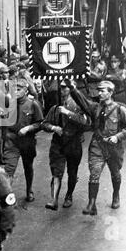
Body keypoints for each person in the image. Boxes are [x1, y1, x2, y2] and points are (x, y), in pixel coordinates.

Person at [66, 80, 126, 215]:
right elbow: (82, 101)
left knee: (115, 173)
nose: (99, 93)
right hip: (97, 145)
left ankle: (116, 195)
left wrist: (118, 137)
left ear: (110, 93)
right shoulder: (95, 108)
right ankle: (91, 204)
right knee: (94, 174)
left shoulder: (120, 109)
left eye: (102, 91)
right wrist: (72, 88)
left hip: (114, 148)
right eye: (98, 90)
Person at [41, 80, 91, 210]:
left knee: (72, 172)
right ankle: (54, 200)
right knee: (56, 172)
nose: (61, 90)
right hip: (58, 143)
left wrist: (68, 113)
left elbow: (86, 123)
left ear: (71, 88)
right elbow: (44, 124)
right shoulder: (56, 107)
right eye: (60, 87)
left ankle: (69, 195)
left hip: (73, 143)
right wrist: (54, 128)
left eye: (64, 87)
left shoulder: (79, 106)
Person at [2, 78, 44, 202]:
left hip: (27, 142)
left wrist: (28, 128)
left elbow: (40, 123)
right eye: (13, 89)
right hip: (12, 141)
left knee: (28, 167)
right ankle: (6, 196)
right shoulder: (9, 103)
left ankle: (29, 190)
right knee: (9, 169)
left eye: (18, 89)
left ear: (26, 90)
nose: (15, 91)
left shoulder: (33, 104)